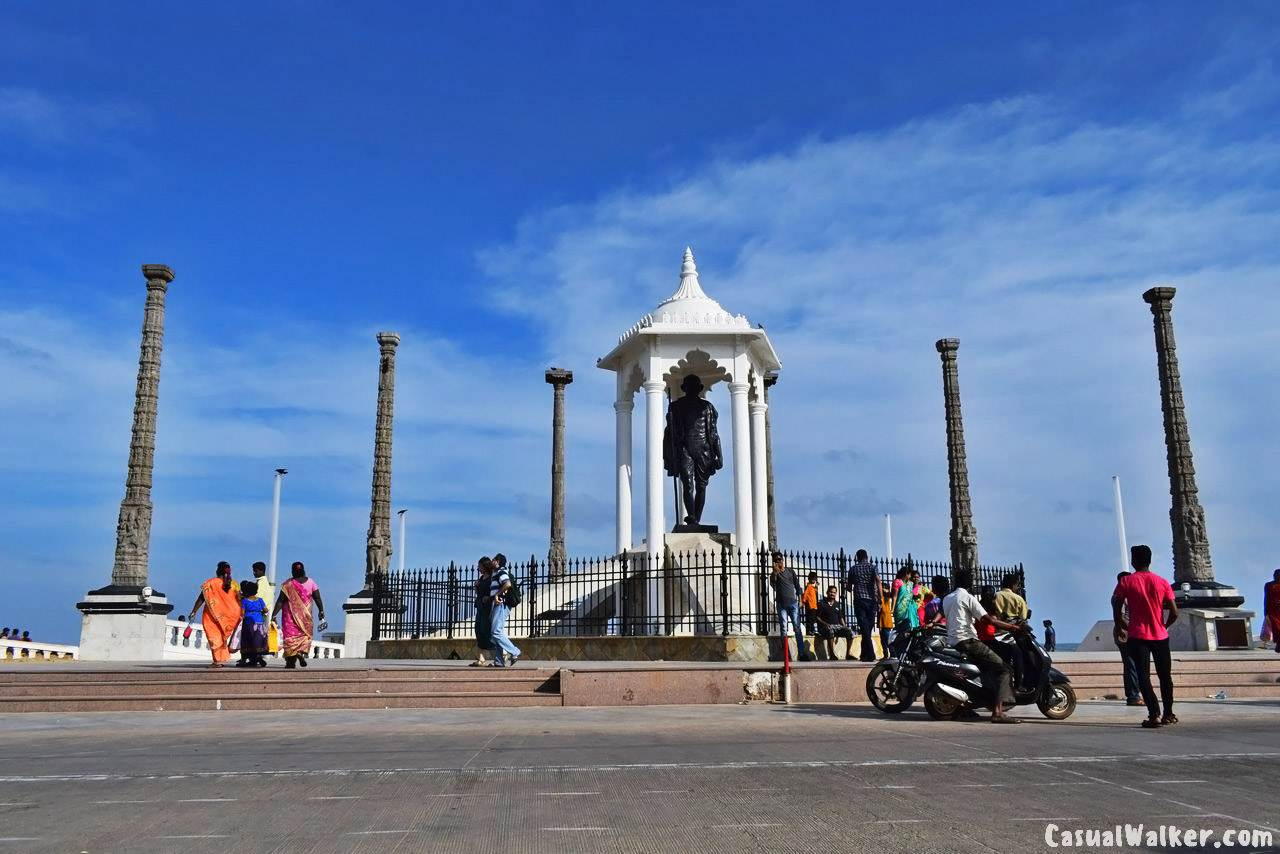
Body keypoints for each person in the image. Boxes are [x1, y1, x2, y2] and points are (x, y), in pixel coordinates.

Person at [942, 568, 1026, 723]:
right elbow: (989, 620)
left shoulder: (947, 598)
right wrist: (1013, 628)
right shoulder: (967, 597)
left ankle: (970, 705)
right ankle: (998, 712)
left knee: (985, 669)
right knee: (1004, 669)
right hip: (968, 641)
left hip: (953, 641)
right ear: (968, 583)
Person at [1112, 545, 1179, 728]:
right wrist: (1163, 626)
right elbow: (1174, 612)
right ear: (1150, 560)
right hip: (1160, 636)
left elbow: (1116, 606)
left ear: (1134, 561)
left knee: (1143, 676)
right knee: (1165, 676)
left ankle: (1154, 714)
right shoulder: (1162, 582)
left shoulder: (1126, 582)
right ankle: (1168, 713)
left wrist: (1119, 626)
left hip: (1138, 635)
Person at [188, 561, 243, 667]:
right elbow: (239, 599)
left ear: (218, 571)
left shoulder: (210, 583)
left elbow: (201, 598)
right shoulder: (234, 584)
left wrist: (194, 611)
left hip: (213, 616)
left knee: (214, 636)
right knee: (222, 637)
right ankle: (222, 658)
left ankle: (217, 660)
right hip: (231, 616)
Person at [273, 561, 326, 668]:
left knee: (290, 638)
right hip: (305, 617)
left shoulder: (287, 584)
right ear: (303, 570)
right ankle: (300, 653)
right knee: (304, 636)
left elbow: (280, 601)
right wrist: (321, 611)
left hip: (290, 618)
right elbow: (317, 598)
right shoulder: (311, 582)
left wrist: (274, 615)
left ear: (292, 571)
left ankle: (290, 662)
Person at [769, 554, 809, 662]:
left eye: (779, 560)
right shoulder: (774, 574)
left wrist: (801, 600)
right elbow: (773, 585)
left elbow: (797, 586)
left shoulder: (790, 571)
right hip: (781, 605)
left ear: (783, 560)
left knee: (797, 628)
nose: (778, 562)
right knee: (783, 629)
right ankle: (786, 655)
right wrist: (775, 572)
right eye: (776, 560)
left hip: (793, 604)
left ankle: (801, 653)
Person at [1112, 571, 1144, 706]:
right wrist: (1132, 629)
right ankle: (1133, 696)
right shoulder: (1120, 597)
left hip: (1127, 633)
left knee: (1131, 665)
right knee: (1131, 665)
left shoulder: (1124, 595)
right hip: (1125, 634)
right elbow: (1120, 617)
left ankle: (1133, 694)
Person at [845, 549, 883, 661]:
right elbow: (878, 581)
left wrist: (847, 584)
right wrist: (880, 598)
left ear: (857, 557)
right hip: (872, 601)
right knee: (868, 628)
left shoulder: (853, 569)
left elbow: (848, 588)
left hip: (859, 600)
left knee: (864, 627)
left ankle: (869, 654)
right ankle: (866, 654)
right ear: (867, 556)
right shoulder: (872, 567)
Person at [488, 554, 522, 667]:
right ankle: (499, 661)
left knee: (496, 632)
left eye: (493, 559)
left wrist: (497, 594)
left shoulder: (501, 572)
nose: (491, 561)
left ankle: (515, 651)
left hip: (501, 604)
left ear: (497, 561)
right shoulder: (496, 573)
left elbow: (507, 584)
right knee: (497, 633)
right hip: (498, 605)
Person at [815, 586, 857, 660]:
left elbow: (841, 618)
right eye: (831, 592)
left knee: (850, 632)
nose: (832, 594)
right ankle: (832, 654)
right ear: (827, 592)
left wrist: (845, 627)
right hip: (825, 628)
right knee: (830, 630)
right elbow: (817, 617)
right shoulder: (821, 603)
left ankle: (848, 654)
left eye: (834, 592)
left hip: (837, 627)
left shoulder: (837, 604)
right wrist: (826, 624)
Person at [470, 557, 496, 666]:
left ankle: (499, 656)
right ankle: (481, 658)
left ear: (485, 566)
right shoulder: (481, 578)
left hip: (488, 608)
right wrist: (476, 586)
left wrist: (489, 598)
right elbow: (478, 593)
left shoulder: (492, 578)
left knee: (487, 632)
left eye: (480, 566)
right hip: (480, 607)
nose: (478, 568)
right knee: (478, 631)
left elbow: (494, 592)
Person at [237, 581, 269, 667]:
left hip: (249, 623)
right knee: (257, 641)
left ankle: (244, 660)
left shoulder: (245, 601)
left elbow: (242, 613)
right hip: (260, 623)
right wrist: (260, 612)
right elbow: (266, 610)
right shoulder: (260, 600)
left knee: (247, 641)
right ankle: (258, 656)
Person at [891, 567, 921, 654]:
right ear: (906, 574)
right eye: (910, 574)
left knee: (910, 629)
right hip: (900, 609)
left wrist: (917, 585)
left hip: (910, 610)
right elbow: (894, 596)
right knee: (901, 630)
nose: (911, 576)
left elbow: (914, 594)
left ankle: (909, 650)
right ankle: (900, 650)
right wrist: (892, 609)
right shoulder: (897, 582)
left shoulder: (910, 584)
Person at [1264, 569, 1280, 653]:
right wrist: (1265, 611)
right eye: (1275, 574)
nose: (1275, 576)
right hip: (1272, 611)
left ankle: (1278, 646)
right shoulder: (1268, 585)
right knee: (1276, 629)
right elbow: (1266, 598)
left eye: (1277, 574)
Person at [802, 572, 820, 637]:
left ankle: (813, 630)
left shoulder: (812, 587)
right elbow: (805, 594)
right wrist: (803, 602)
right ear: (809, 579)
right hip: (810, 605)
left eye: (814, 578)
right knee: (810, 619)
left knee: (813, 619)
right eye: (812, 578)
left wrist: (816, 587)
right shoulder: (808, 586)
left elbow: (815, 593)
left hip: (814, 605)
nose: (813, 580)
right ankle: (809, 630)